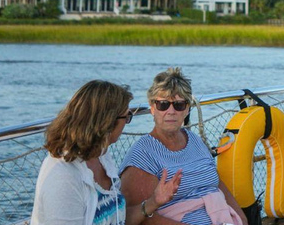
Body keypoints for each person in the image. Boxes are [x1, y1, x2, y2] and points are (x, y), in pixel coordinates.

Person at [31, 80, 182, 225]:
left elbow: (118, 221)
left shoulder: (101, 155)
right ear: (107, 122)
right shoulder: (64, 178)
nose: (127, 123)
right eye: (127, 116)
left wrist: (153, 202)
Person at [120, 68, 248, 225]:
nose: (171, 111)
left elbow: (217, 184)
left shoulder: (194, 141)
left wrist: (242, 219)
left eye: (179, 105)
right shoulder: (143, 155)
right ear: (152, 108)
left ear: (187, 109)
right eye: (163, 104)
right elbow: (141, 219)